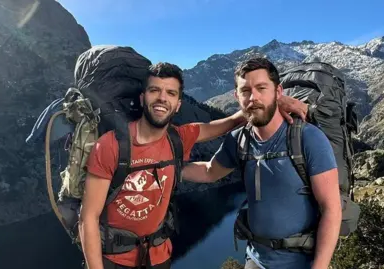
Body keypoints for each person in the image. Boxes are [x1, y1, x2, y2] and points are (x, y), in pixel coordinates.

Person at [78, 61, 308, 269]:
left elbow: (227, 123)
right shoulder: (111, 146)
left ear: (178, 104)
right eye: (154, 90)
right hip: (114, 259)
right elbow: (88, 217)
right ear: (142, 98)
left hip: (158, 257)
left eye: (170, 93)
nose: (162, 98)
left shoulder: (178, 138)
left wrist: (274, 103)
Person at [182, 57, 342, 269]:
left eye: (261, 88)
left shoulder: (308, 138)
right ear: (236, 96)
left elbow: (331, 209)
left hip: (299, 263)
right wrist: (166, 166)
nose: (253, 97)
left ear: (277, 92)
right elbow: (210, 171)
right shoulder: (239, 139)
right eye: (246, 90)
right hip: (255, 259)